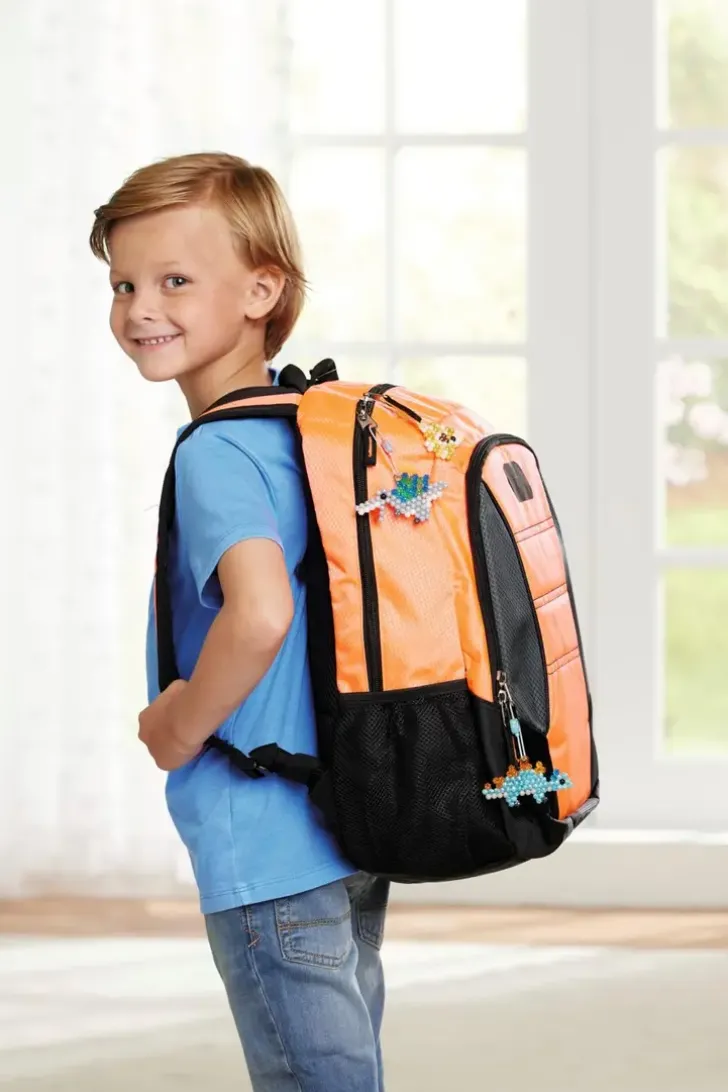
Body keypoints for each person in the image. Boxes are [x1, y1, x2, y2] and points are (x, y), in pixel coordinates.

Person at [90, 152, 389, 1091]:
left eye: (175, 281)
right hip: (347, 815)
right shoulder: (307, 428)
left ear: (263, 290)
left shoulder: (216, 452)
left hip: (265, 839)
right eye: (124, 285)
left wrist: (180, 724)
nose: (141, 307)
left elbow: (261, 615)